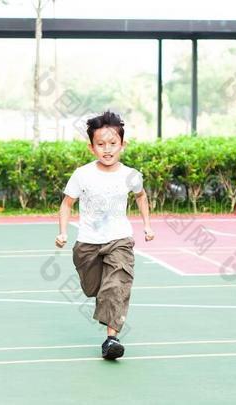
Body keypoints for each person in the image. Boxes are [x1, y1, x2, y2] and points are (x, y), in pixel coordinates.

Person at [55, 111, 155, 360]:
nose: (107, 149)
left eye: (113, 144)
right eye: (101, 144)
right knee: (94, 288)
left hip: (120, 239)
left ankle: (111, 340)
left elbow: (141, 197)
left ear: (123, 144)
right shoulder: (82, 174)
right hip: (88, 243)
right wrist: (63, 231)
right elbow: (67, 203)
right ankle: (102, 296)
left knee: (116, 286)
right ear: (91, 147)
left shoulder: (131, 175)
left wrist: (147, 225)